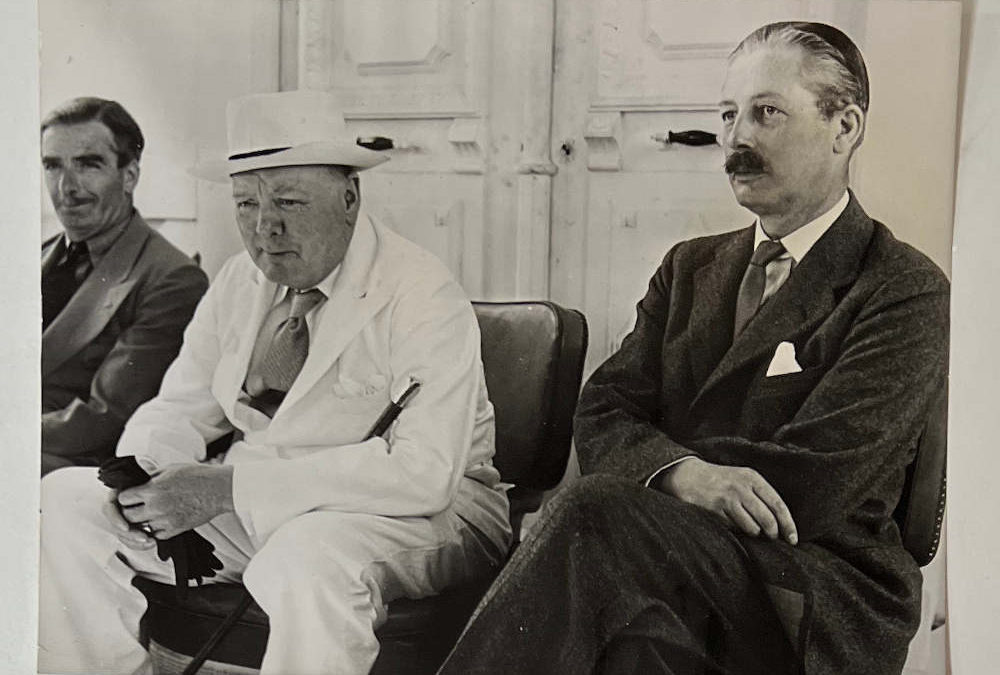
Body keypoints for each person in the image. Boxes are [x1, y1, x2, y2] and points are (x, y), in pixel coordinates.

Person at [438, 21, 949, 675]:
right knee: (603, 578)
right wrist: (686, 474)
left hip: (807, 591)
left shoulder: (902, 287)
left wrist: (649, 477)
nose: (737, 139)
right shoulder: (689, 268)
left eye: (767, 113)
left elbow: (816, 480)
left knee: (590, 516)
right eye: (729, 114)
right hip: (670, 562)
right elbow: (602, 410)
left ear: (844, 128)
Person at [38, 90, 511, 675]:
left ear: (349, 198)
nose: (266, 229)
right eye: (245, 204)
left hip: (413, 515)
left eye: (288, 200)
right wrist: (148, 475)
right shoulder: (242, 281)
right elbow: (180, 406)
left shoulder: (421, 292)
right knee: (64, 503)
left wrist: (225, 489)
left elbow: (423, 476)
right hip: (257, 502)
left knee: (305, 558)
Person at [40, 97, 208, 475]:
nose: (67, 186)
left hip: (74, 466)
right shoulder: (41, 254)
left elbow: (105, 417)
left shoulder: (171, 279)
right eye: (53, 166)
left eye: (88, 164)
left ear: (129, 175)